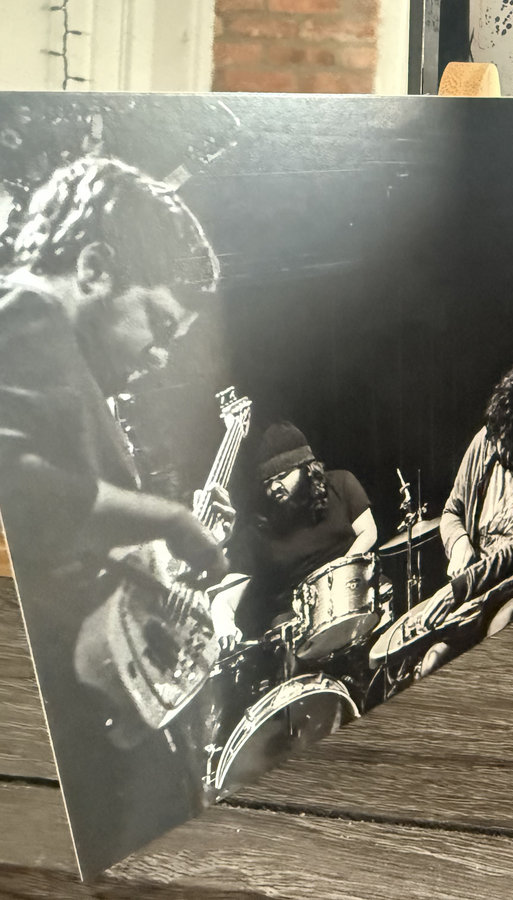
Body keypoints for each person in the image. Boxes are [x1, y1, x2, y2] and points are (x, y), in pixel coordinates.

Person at [0, 156, 229, 875]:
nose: (160, 355)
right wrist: (168, 521)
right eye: (157, 323)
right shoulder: (27, 313)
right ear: (95, 269)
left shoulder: (66, 362)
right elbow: (21, 488)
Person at [419, 361, 513, 662]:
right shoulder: (487, 439)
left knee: (501, 635)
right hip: (479, 588)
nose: (505, 452)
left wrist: (462, 586)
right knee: (433, 661)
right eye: (503, 442)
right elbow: (452, 511)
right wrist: (459, 543)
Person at [215, 421, 378, 642]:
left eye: (281, 476)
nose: (274, 488)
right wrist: (222, 616)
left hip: (354, 593)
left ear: (306, 467)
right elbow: (232, 586)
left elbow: (368, 532)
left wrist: (336, 579)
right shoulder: (261, 527)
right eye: (267, 483)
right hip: (300, 623)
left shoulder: (341, 482)